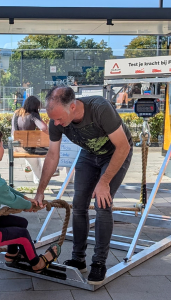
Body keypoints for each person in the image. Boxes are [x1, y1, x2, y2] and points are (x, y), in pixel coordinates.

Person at [34, 86, 132, 285]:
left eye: (60, 119)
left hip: (115, 153)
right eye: (54, 119)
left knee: (102, 204)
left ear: (72, 106)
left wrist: (104, 182)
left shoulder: (99, 109)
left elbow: (123, 146)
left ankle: (99, 263)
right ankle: (78, 259)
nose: (57, 123)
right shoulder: (56, 120)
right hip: (89, 155)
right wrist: (40, 190)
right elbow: (53, 155)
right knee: (78, 205)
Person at [0, 126, 60, 272]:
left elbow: (4, 189)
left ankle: (11, 255)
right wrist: (29, 205)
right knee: (23, 235)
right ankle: (37, 264)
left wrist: (26, 198)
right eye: (2, 145)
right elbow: (12, 200)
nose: (3, 148)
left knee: (21, 223)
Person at [11, 96, 49, 184]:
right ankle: (42, 180)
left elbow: (13, 132)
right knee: (38, 160)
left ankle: (34, 174)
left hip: (17, 146)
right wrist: (41, 120)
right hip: (29, 148)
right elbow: (43, 127)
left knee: (36, 159)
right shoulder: (33, 115)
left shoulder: (16, 113)